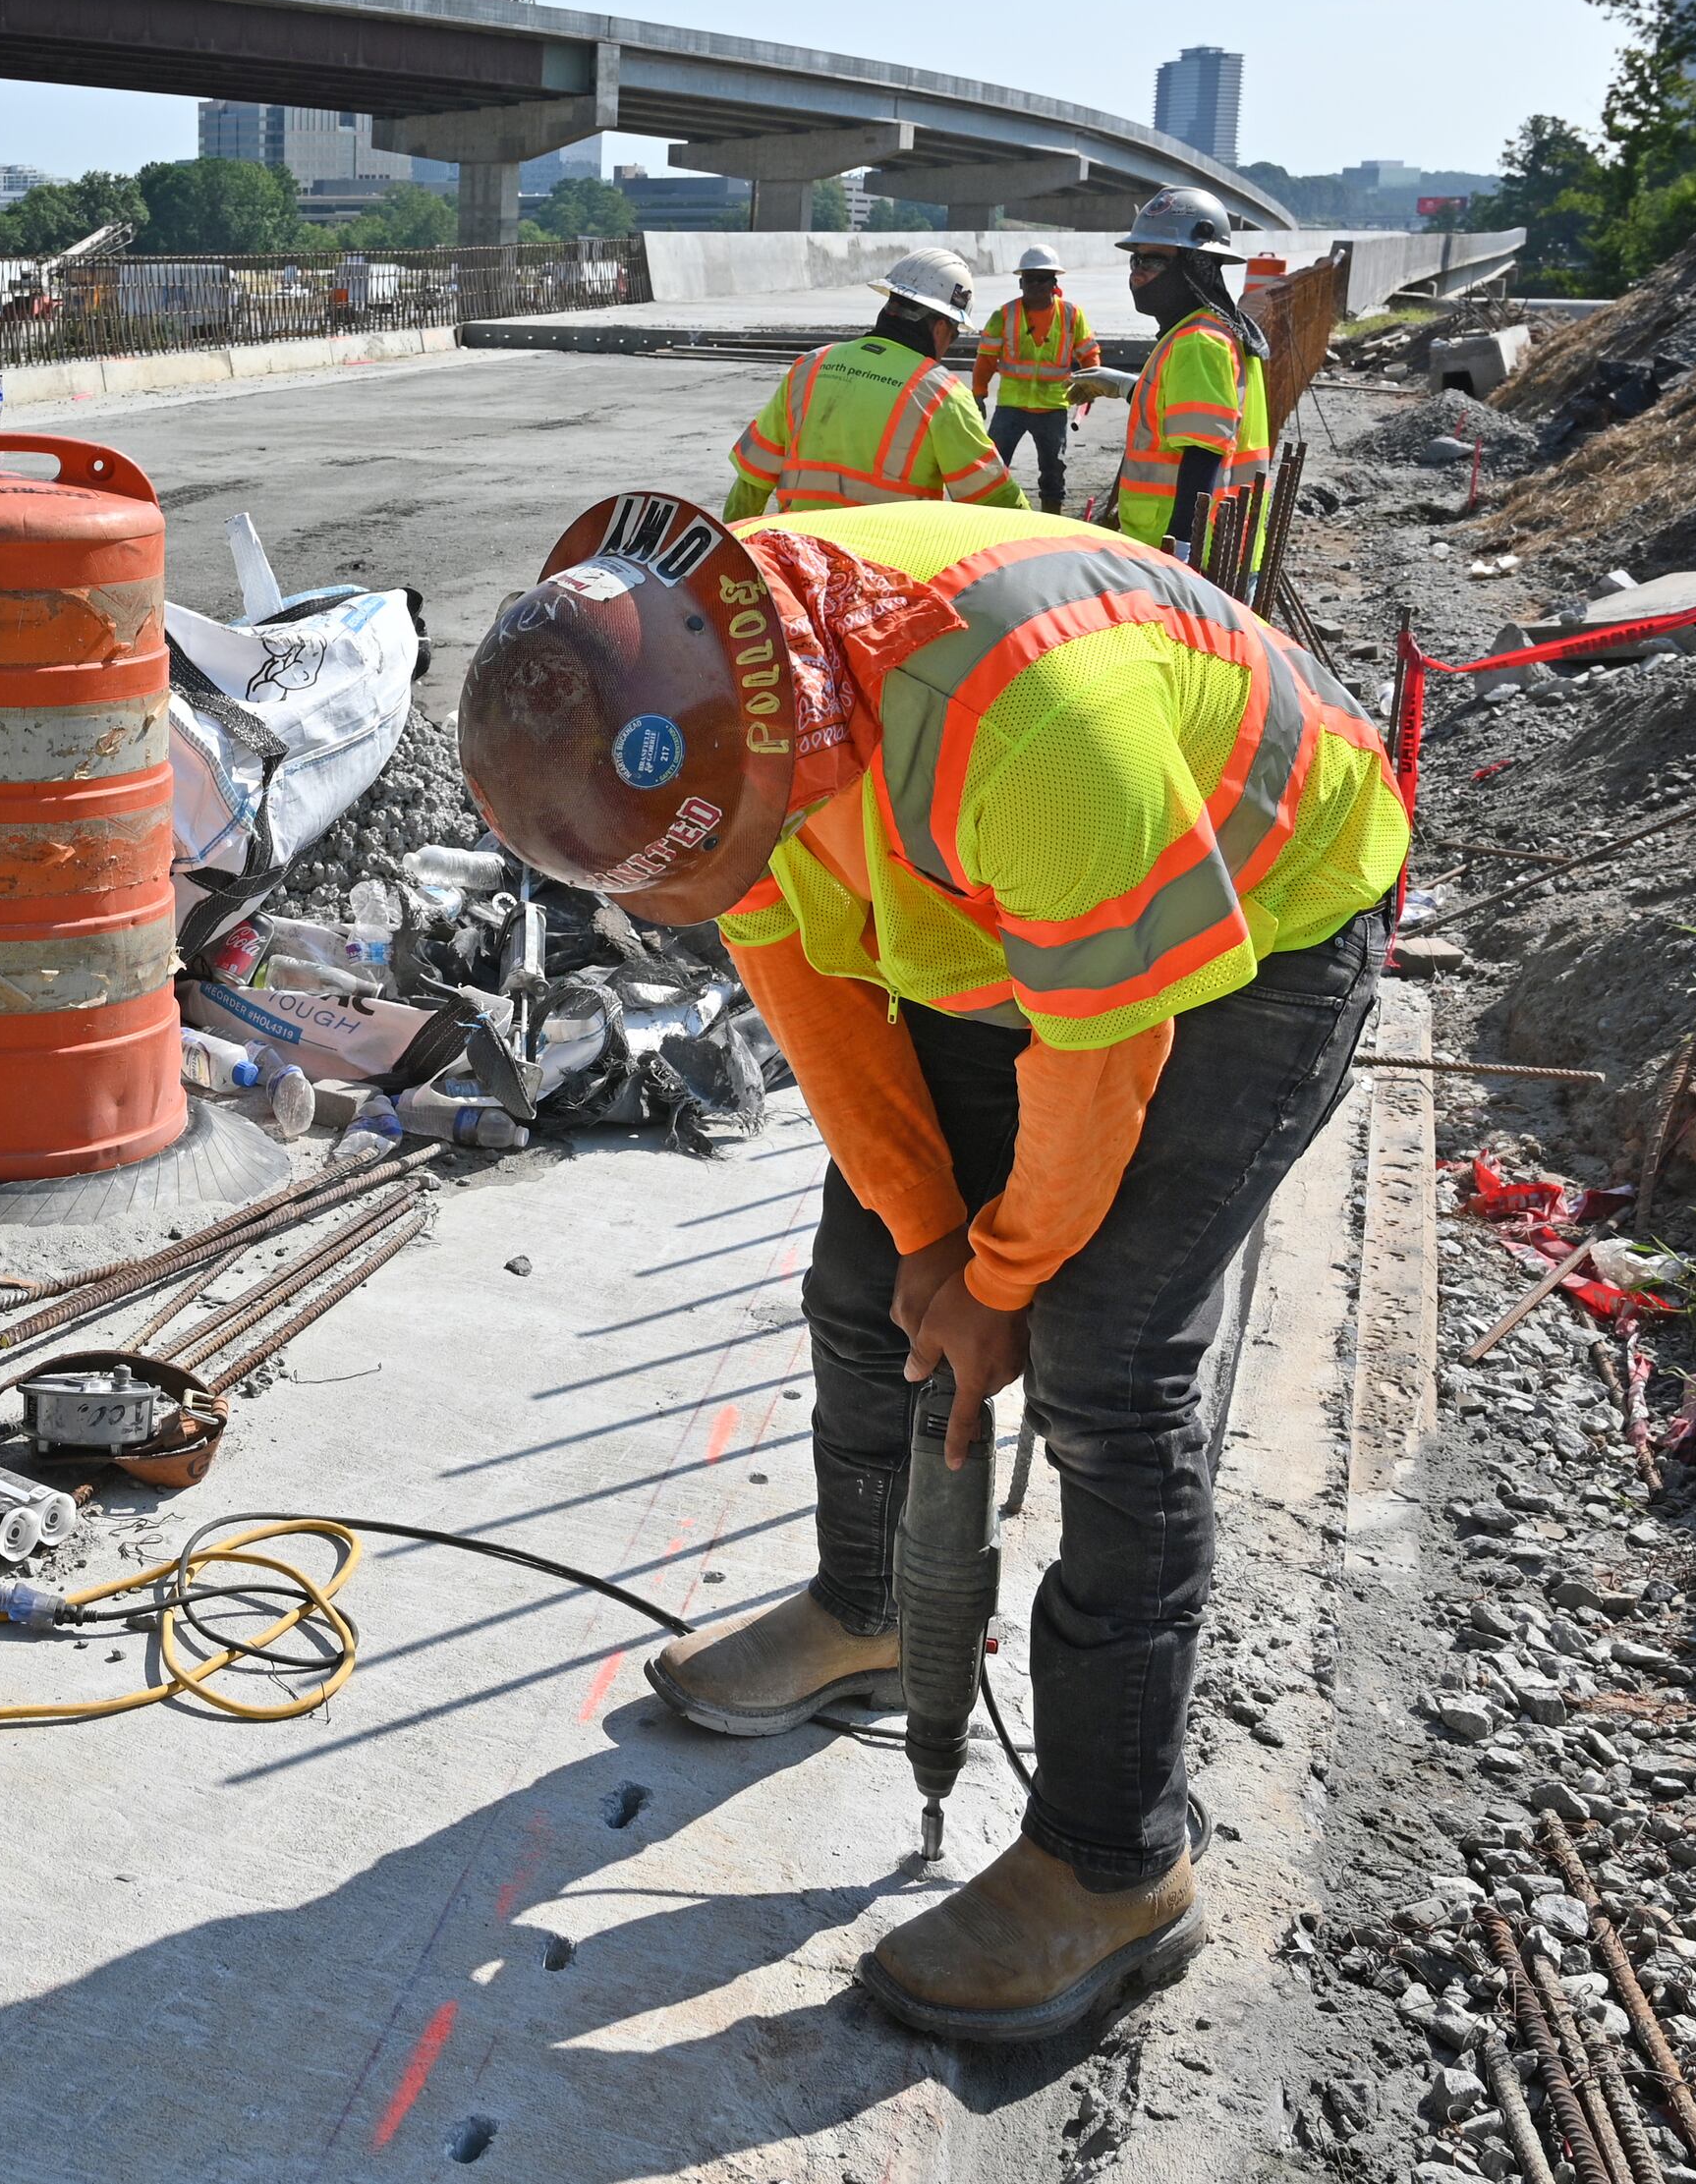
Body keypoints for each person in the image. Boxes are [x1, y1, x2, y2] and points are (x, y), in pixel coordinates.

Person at [454, 485, 1408, 2046]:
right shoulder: (719, 693)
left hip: (1257, 912)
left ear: (783, 747)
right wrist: (924, 1238)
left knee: (1108, 1362)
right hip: (997, 902)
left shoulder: (1029, 731)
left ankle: (1116, 1863)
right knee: (866, 1284)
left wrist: (1006, 1272)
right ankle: (886, 1609)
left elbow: (1105, 1052)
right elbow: (810, 988)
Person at [726, 249, 1022, 519]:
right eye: (954, 335)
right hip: (887, 567)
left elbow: (752, 480)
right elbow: (992, 497)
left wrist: (729, 558)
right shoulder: (943, 393)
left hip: (801, 559)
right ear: (941, 327)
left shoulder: (809, 367)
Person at [1109, 188, 1273, 575]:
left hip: (1193, 554)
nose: (1137, 272)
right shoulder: (1201, 331)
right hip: (1212, 546)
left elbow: (1203, 451)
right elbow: (1180, 415)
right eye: (1135, 259)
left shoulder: (1200, 341)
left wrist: (1182, 545)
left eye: (1153, 261)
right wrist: (1121, 385)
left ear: (1195, 266)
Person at [968, 243, 1099, 513]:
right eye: (1030, 279)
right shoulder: (1005, 315)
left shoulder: (1071, 315)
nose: (1036, 285)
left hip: (1053, 407)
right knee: (993, 468)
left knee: (1052, 472)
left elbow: (1089, 355)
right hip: (1011, 407)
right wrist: (978, 393)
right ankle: (989, 517)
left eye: (1043, 279)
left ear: (1054, 283)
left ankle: (1050, 521)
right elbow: (986, 359)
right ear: (1020, 282)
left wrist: (1091, 387)